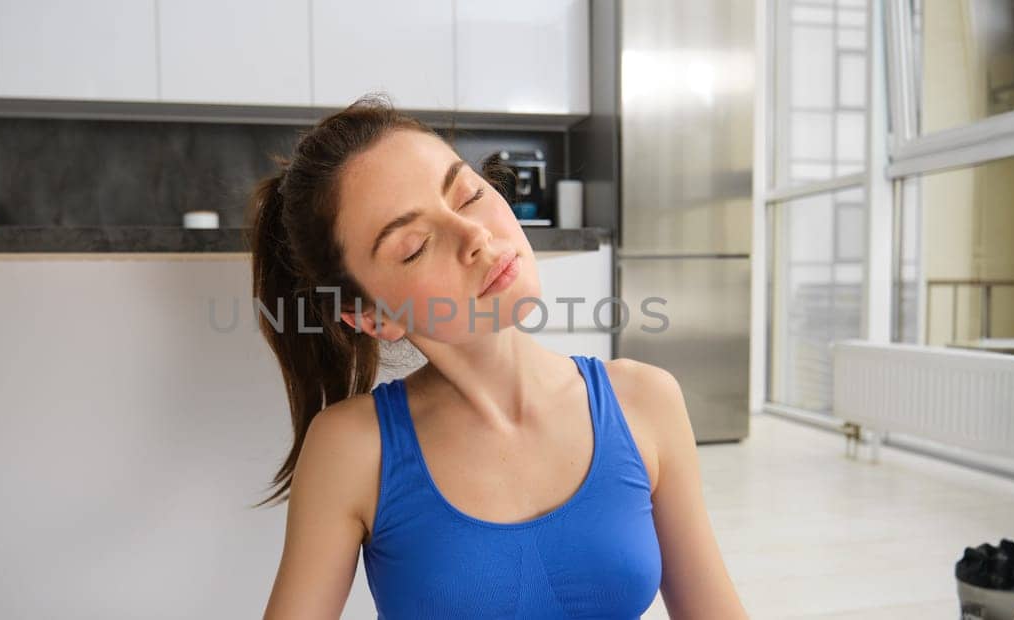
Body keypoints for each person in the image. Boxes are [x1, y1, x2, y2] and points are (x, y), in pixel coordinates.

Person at [248, 95, 746, 619]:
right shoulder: (352, 449)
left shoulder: (645, 400)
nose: (476, 236)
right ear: (371, 316)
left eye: (468, 195)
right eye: (415, 245)